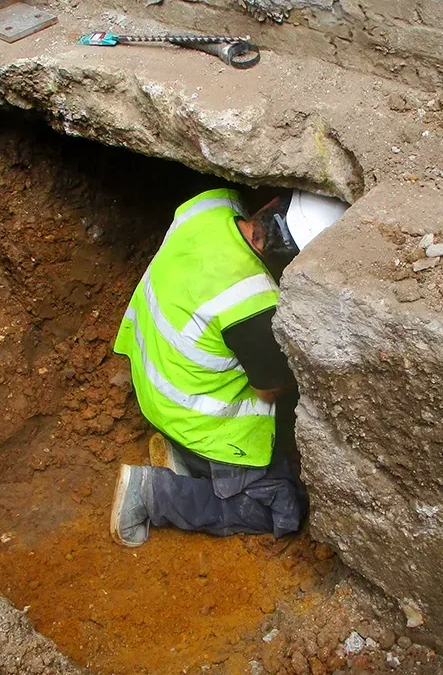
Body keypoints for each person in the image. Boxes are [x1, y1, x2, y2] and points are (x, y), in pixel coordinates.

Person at [109, 188, 347, 546]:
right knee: (284, 506)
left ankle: (188, 460)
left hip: (154, 383)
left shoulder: (212, 205)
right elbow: (270, 388)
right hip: (198, 420)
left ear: (271, 204)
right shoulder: (254, 304)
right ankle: (153, 494)